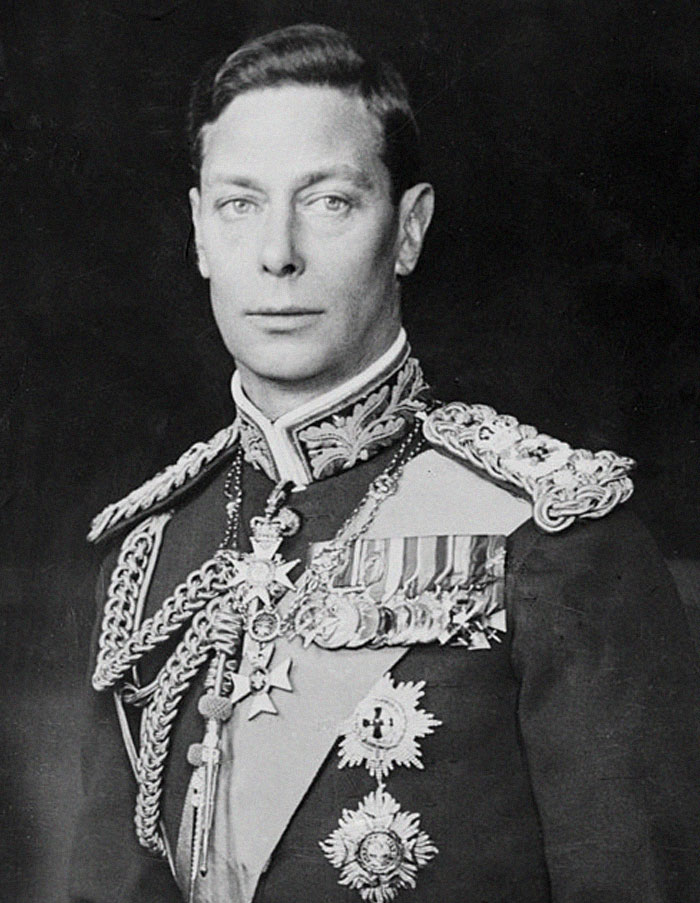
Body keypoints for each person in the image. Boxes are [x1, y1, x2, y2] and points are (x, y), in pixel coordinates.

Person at [69, 23, 700, 903]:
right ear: (201, 234)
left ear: (407, 230)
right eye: (240, 203)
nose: (277, 253)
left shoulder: (552, 539)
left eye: (327, 201)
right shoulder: (147, 562)